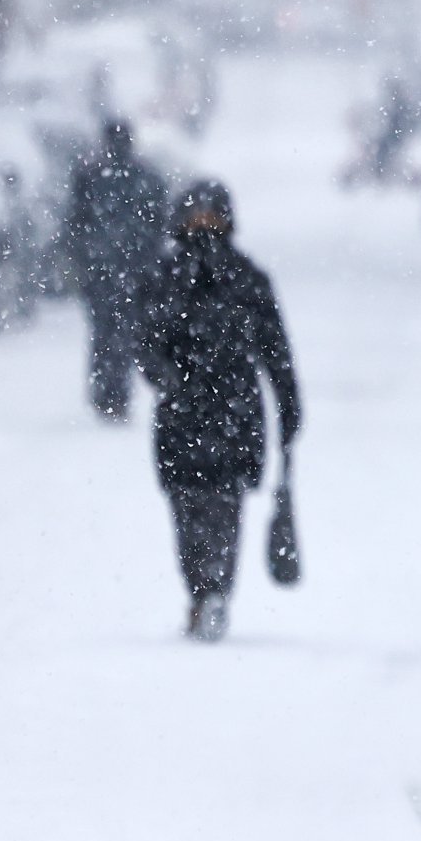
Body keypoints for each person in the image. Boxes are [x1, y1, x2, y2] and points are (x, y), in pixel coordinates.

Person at [136, 180, 302, 641]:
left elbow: (276, 352)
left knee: (225, 507)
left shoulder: (248, 278)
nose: (204, 224)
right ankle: (200, 590)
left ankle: (215, 593)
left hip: (234, 412)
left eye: (212, 215)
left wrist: (290, 408)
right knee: (186, 508)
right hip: (182, 413)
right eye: (196, 215)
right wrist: (164, 375)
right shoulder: (165, 276)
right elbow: (145, 342)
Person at [65, 118, 168, 420]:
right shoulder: (146, 177)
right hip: (133, 269)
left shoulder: (90, 176)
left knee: (102, 331)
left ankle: (104, 392)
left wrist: (80, 259)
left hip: (100, 269)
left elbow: (75, 223)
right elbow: (159, 224)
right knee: (124, 331)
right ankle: (116, 394)